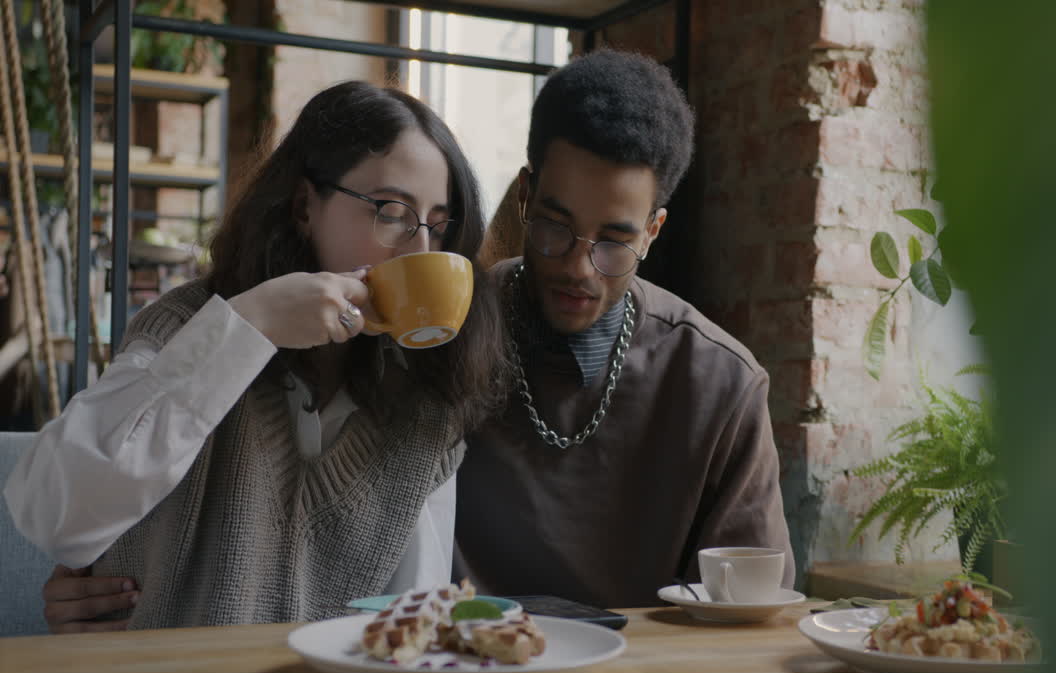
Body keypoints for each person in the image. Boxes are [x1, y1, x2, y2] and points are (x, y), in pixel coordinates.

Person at [4, 81, 507, 630]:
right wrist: (248, 327)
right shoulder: (187, 324)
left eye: (438, 225)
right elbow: (52, 516)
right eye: (392, 211)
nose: (419, 251)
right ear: (304, 206)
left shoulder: (427, 394)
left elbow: (413, 619)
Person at [454, 49, 795, 608]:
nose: (579, 268)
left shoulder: (720, 385)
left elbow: (750, 615)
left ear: (652, 231)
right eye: (555, 225)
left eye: (614, 242)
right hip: (455, 654)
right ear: (525, 196)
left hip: (649, 667)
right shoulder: (450, 334)